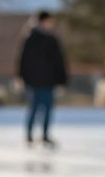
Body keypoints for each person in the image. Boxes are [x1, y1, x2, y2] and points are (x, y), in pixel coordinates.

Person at [16, 10, 69, 148]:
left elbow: (59, 62)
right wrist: (20, 77)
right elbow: (23, 61)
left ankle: (45, 135)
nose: (51, 24)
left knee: (48, 109)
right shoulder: (30, 39)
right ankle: (29, 135)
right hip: (34, 81)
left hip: (49, 81)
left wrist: (62, 79)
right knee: (34, 108)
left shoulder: (52, 40)